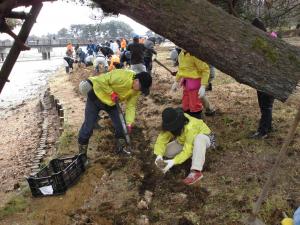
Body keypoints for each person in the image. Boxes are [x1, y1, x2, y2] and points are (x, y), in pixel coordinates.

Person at [78, 69, 152, 155]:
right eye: (141, 88)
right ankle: (82, 155)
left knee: (121, 126)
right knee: (88, 126)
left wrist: (129, 123)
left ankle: (122, 149)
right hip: (96, 97)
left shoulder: (136, 91)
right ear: (136, 81)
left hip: (111, 103)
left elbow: (131, 106)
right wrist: (111, 93)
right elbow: (101, 80)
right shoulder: (122, 75)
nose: (140, 90)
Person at [153, 107, 215, 185]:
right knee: (166, 151)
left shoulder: (191, 126)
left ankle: (195, 171)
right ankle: (193, 154)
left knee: (199, 139)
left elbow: (188, 149)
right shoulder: (172, 123)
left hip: (204, 138)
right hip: (184, 141)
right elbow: (161, 139)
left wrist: (173, 161)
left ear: (178, 124)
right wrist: (159, 155)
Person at [249, 18, 275, 139]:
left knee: (265, 106)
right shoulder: (268, 39)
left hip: (267, 80)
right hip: (265, 79)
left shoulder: (266, 42)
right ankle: (268, 127)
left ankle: (263, 132)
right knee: (266, 106)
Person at [171, 50, 210, 119]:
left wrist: (203, 86)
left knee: (195, 105)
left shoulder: (194, 55)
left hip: (194, 85)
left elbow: (205, 70)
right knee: (186, 104)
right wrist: (176, 81)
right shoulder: (181, 54)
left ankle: (197, 121)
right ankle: (188, 119)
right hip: (186, 84)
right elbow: (181, 69)